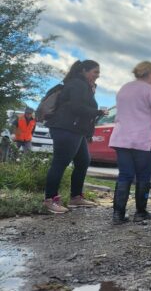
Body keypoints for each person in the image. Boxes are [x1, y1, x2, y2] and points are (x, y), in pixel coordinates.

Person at [109, 61, 151, 224]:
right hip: (142, 139)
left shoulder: (124, 88)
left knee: (125, 175)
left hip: (121, 137)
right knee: (143, 176)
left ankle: (118, 214)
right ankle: (140, 212)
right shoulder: (150, 90)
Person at [43, 60, 107, 214]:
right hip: (66, 128)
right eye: (95, 72)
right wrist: (98, 112)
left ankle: (76, 197)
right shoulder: (78, 84)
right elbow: (77, 108)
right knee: (60, 163)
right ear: (84, 70)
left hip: (76, 130)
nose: (98, 75)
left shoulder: (85, 86)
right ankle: (50, 200)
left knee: (83, 161)